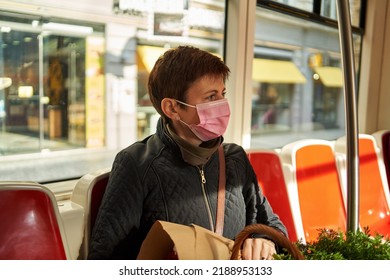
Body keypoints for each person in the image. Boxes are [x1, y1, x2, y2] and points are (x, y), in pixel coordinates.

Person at [88, 45, 287, 260]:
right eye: (211, 97)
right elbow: (105, 259)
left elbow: (272, 225)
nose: (222, 105)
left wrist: (265, 239)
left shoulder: (234, 158)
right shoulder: (136, 164)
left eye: (223, 94)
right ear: (172, 108)